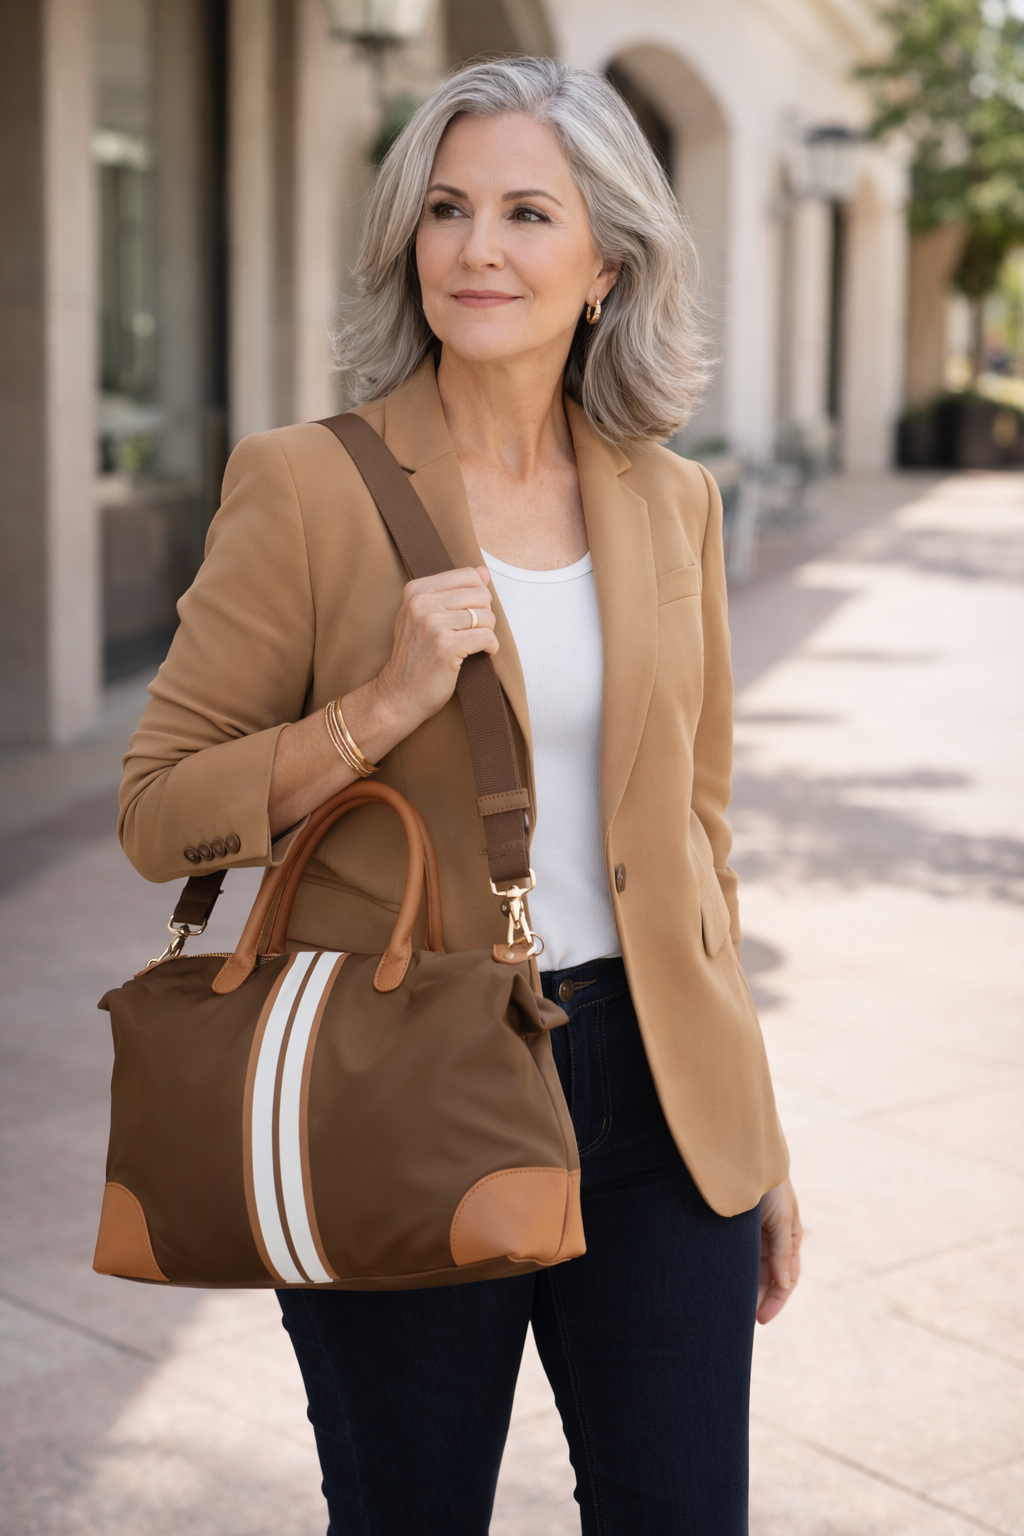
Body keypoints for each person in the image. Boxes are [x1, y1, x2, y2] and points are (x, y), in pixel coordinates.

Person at [120, 55, 800, 1536]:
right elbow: (158, 808)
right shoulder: (304, 486)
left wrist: (756, 1134)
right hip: (403, 1077)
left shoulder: (670, 498)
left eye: (525, 212)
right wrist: (373, 712)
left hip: (660, 1105)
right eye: (445, 208)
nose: (476, 248)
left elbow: (697, 839)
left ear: (608, 261)